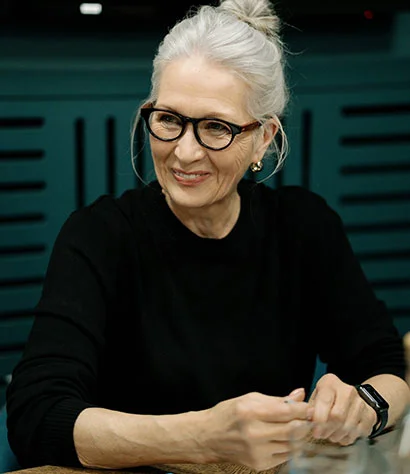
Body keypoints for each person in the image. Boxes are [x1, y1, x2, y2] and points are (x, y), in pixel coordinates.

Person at [6, 0, 410, 472]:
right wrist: (200, 438)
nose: (184, 152)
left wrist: (363, 406)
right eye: (168, 119)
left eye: (216, 127)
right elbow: (36, 417)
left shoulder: (304, 225)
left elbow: (386, 365)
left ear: (264, 138)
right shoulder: (99, 236)